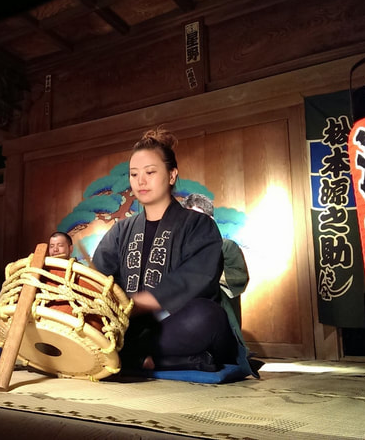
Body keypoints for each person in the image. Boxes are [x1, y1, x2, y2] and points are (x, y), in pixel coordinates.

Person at [91, 126, 256, 377]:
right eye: (134, 174)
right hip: (128, 326)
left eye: (150, 172)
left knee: (207, 316)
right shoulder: (120, 231)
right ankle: (157, 359)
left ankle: (130, 356)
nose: (140, 181)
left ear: (171, 175)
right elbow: (100, 279)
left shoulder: (199, 225)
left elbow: (197, 280)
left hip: (174, 324)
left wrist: (134, 304)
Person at [181, 193, 250, 327]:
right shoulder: (179, 250)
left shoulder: (226, 247)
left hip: (219, 315)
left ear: (210, 220)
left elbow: (238, 279)